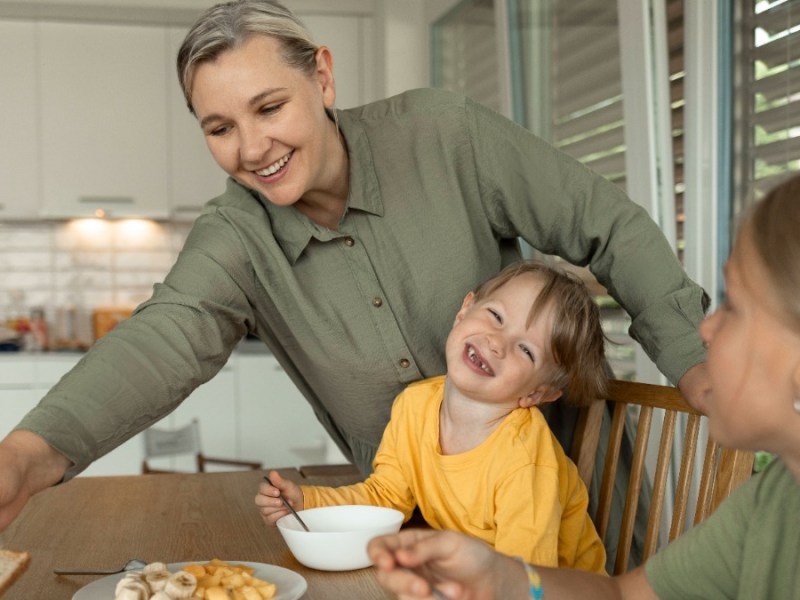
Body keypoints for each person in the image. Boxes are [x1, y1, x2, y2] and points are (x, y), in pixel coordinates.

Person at [0, 0, 710, 533]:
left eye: (269, 106)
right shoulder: (237, 236)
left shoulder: (443, 134)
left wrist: (692, 358)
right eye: (220, 128)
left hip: (578, 507)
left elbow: (604, 224)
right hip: (418, 537)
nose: (251, 147)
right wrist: (30, 455)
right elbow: (162, 338)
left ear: (324, 77)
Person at [367, 173, 800, 600]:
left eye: (737, 308)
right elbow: (622, 596)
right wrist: (501, 578)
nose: (706, 328)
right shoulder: (774, 499)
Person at [257, 261, 608, 572]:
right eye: (497, 316)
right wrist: (308, 503)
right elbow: (385, 497)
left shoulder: (524, 461)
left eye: (526, 349)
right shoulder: (414, 406)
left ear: (537, 394)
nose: (497, 342)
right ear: (465, 310)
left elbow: (527, 576)